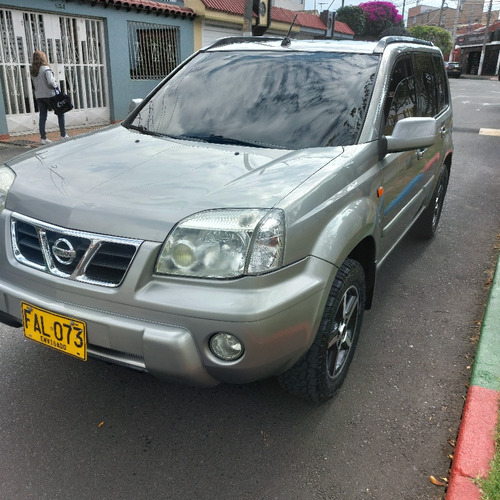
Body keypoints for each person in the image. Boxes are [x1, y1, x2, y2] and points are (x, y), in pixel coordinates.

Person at [30, 50, 69, 144]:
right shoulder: (45, 68)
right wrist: (56, 86)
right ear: (43, 58)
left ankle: (43, 138)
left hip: (39, 96)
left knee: (43, 116)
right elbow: (51, 82)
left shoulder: (33, 71)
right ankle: (63, 135)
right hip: (50, 95)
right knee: (60, 113)